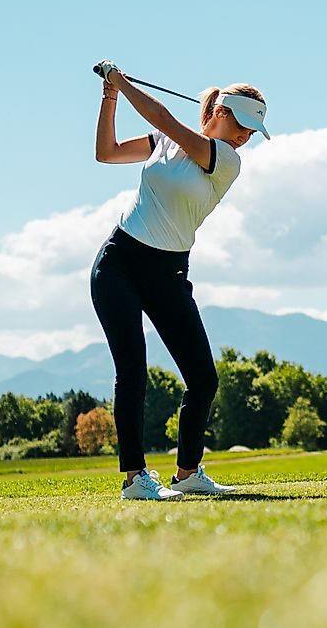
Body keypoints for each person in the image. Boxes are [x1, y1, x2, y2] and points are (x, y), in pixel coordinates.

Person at [91, 60, 269, 499]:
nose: (245, 138)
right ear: (221, 113)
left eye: (252, 132)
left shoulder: (226, 160)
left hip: (169, 273)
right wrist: (110, 96)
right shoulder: (164, 143)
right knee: (132, 371)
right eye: (243, 126)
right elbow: (107, 152)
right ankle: (135, 478)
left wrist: (122, 82)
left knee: (203, 378)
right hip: (119, 262)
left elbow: (164, 118)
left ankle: (188, 473)